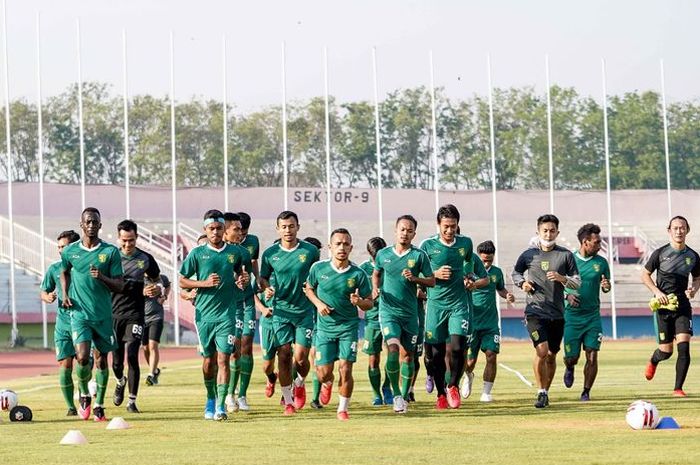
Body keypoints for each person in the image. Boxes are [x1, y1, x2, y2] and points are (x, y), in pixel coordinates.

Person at [179, 209, 250, 421]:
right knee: (208, 361)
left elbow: (241, 275)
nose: (216, 232)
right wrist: (204, 283)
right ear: (205, 230)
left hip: (227, 315)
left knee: (223, 359)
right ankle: (210, 397)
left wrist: (242, 280)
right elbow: (182, 280)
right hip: (203, 315)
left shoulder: (235, 253)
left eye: (220, 228)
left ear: (224, 230)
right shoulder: (197, 254)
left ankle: (220, 406)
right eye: (211, 228)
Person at [60, 207, 124, 422]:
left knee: (101, 360)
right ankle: (85, 394)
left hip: (103, 315)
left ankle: (99, 405)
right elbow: (64, 271)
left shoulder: (111, 252)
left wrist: (102, 278)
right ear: (81, 224)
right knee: (81, 357)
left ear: (100, 225)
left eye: (94, 222)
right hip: (80, 314)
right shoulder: (70, 251)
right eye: (87, 222)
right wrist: (66, 294)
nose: (91, 225)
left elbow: (120, 285)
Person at [512, 214, 580, 409]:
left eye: (552, 230)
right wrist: (522, 283)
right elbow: (516, 273)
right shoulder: (528, 255)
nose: (548, 234)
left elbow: (577, 281)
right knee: (541, 351)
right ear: (538, 232)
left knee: (551, 355)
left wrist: (562, 278)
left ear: (557, 232)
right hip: (535, 311)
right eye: (545, 230)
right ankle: (540, 392)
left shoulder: (566, 255)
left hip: (557, 313)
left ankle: (546, 392)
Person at [305, 228, 373, 420]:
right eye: (338, 244)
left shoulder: (358, 274)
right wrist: (319, 304)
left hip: (348, 327)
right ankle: (327, 383)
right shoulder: (318, 269)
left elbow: (370, 302)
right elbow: (308, 289)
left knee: (346, 368)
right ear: (330, 247)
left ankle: (342, 409)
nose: (341, 247)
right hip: (325, 329)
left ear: (351, 247)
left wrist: (359, 302)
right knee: (323, 373)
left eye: (345, 244)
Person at [259, 211, 320, 415]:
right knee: (284, 355)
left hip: (304, 311)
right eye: (283, 226)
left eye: (291, 226)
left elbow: (316, 277)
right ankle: (287, 401)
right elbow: (263, 279)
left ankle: (300, 382)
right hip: (281, 312)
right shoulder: (269, 254)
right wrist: (266, 288)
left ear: (298, 227)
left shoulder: (310, 251)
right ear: (278, 229)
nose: (288, 230)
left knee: (301, 358)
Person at [372, 215, 435, 414]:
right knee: (392, 348)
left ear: (414, 234)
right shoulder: (383, 254)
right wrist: (375, 288)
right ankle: (397, 395)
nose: (405, 233)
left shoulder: (419, 256)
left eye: (409, 231)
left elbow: (432, 281)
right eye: (402, 229)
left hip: (410, 314)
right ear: (395, 230)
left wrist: (415, 278)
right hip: (388, 311)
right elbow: (376, 273)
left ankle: (406, 394)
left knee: (408, 357)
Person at [420, 204, 478, 409]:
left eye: (453, 226)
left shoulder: (466, 243)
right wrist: (434, 274)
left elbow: (469, 263)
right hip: (435, 306)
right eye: (445, 226)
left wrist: (469, 277)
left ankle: (452, 385)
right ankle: (440, 393)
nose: (449, 230)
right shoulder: (426, 246)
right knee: (435, 355)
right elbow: (418, 276)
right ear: (438, 224)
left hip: (458, 304)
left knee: (457, 347)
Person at [642, 216, 700, 397]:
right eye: (675, 228)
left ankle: (678, 389)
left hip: (682, 306)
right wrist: (657, 293)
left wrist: (693, 291)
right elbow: (645, 275)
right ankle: (653, 360)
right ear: (669, 231)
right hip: (662, 307)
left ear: (687, 230)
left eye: (682, 228)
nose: (679, 231)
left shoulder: (693, 256)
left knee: (684, 347)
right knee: (666, 352)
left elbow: (697, 278)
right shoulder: (660, 253)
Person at [111, 220, 162, 414]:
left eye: (131, 240)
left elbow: (157, 280)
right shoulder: (111, 257)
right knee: (116, 362)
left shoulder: (145, 259)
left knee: (132, 356)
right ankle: (120, 381)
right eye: (124, 240)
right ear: (118, 238)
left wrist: (155, 288)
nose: (127, 244)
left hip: (135, 315)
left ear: (137, 237)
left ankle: (132, 401)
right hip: (113, 314)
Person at [561, 224, 611, 401]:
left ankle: (586, 391)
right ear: (585, 242)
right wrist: (567, 296)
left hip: (592, 317)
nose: (599, 245)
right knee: (571, 357)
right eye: (596, 242)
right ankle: (570, 367)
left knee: (592, 353)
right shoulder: (568, 260)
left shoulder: (601, 263)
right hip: (571, 317)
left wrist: (607, 287)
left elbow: (606, 286)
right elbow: (556, 285)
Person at [462, 240, 514, 402]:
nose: (486, 263)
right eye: (483, 260)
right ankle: (468, 375)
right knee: (470, 361)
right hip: (472, 323)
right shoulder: (468, 271)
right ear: (478, 257)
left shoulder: (496, 273)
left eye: (489, 260)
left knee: (491, 355)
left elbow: (500, 289)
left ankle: (486, 392)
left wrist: (508, 295)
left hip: (490, 324)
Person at [40, 230, 81, 416]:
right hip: (63, 323)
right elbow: (44, 291)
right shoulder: (54, 269)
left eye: (63, 247)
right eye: (58, 247)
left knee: (84, 362)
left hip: (83, 321)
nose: (60, 250)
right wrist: (47, 296)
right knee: (65, 364)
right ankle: (71, 408)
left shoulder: (85, 267)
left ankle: (85, 395)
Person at [359, 237, 388, 406]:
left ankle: (388, 387)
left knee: (394, 354)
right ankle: (376, 393)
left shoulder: (391, 263)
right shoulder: (363, 269)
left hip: (392, 316)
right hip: (372, 318)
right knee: (373, 359)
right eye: (374, 256)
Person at [143, 274, 170, 386]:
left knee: (152, 345)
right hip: (141, 317)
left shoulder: (161, 278)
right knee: (145, 348)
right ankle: (154, 370)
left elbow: (168, 286)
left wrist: (164, 297)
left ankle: (150, 375)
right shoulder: (138, 278)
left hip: (156, 316)